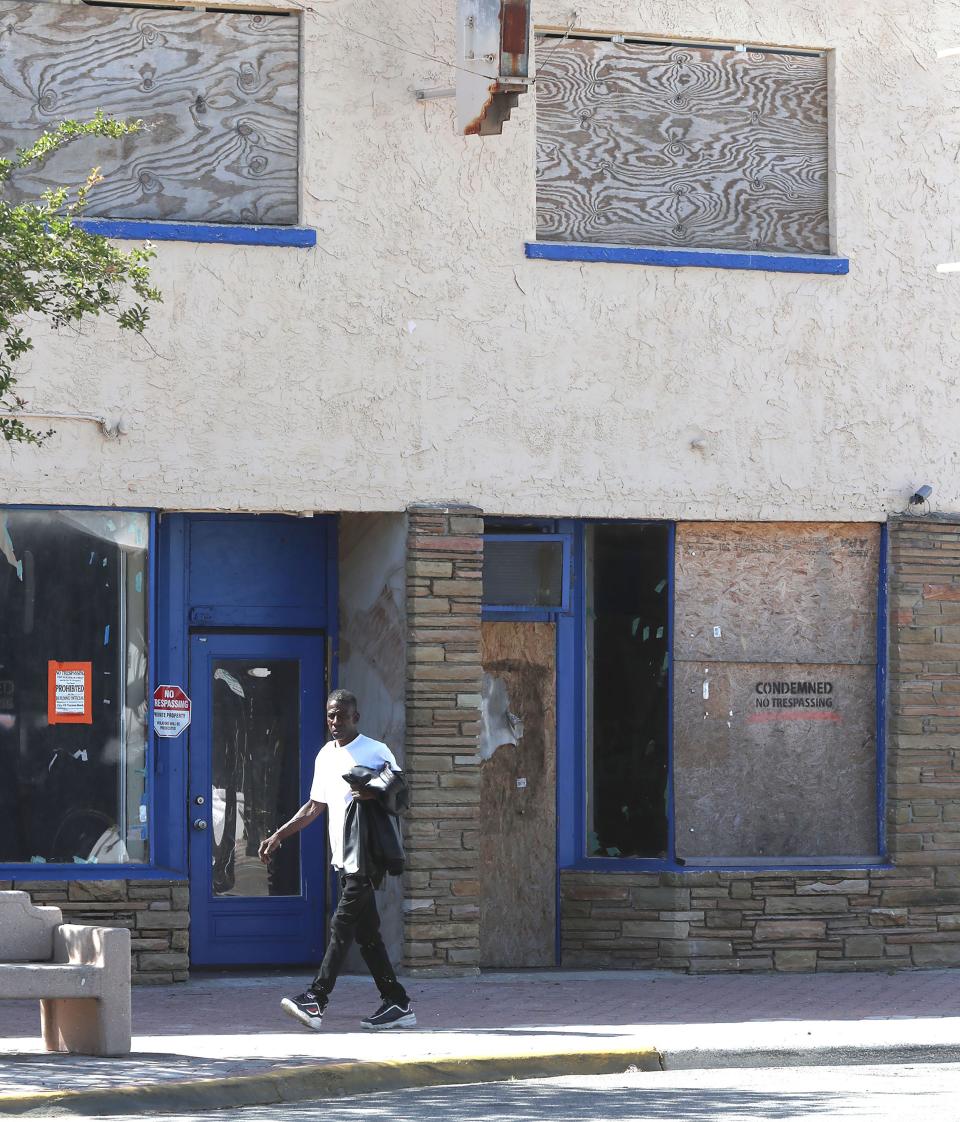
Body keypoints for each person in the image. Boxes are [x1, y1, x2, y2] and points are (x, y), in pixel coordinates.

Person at [258, 689, 415, 1031]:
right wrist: (278, 835)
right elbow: (315, 806)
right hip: (343, 859)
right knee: (367, 935)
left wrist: (373, 791)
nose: (335, 721)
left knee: (340, 925)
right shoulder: (325, 755)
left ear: (355, 717)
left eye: (342, 715)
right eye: (331, 715)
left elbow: (402, 793)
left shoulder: (375, 750)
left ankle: (316, 999)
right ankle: (397, 1002)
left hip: (367, 856)